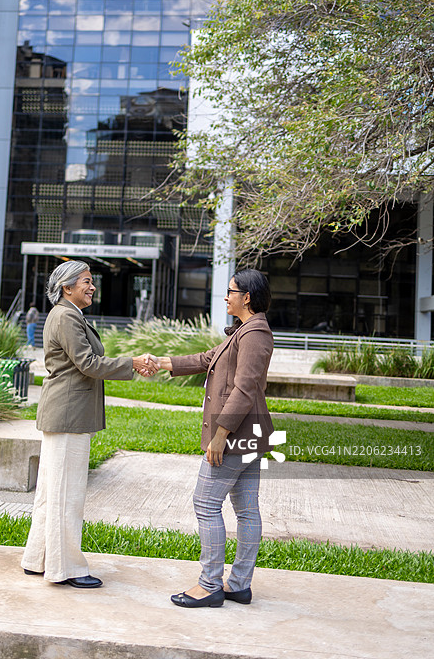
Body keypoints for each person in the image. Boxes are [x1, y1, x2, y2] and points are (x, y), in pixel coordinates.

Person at [21, 260, 155, 589]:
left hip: (65, 415)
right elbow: (88, 363)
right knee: (66, 496)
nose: (92, 286)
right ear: (67, 288)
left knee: (52, 493)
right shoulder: (66, 316)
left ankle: (37, 558)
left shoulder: (68, 315)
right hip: (69, 416)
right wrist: (133, 363)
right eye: (85, 281)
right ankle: (65, 568)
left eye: (91, 281)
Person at [150, 269, 274, 608]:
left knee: (206, 504)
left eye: (231, 291)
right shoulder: (246, 331)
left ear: (246, 297)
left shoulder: (254, 334)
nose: (225, 297)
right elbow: (207, 359)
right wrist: (162, 363)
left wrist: (221, 434)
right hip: (249, 436)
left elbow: (244, 389)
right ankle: (238, 585)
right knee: (247, 510)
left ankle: (210, 585)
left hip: (235, 437)